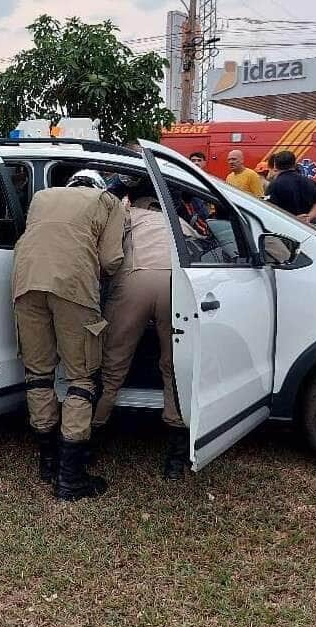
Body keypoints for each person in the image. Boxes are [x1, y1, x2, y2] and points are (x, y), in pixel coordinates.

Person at [12, 169, 126, 501]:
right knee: (81, 378)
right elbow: (113, 259)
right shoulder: (108, 200)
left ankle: (47, 461)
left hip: (25, 282)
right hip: (73, 288)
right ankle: (70, 478)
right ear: (98, 185)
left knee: (38, 374)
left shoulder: (41, 196)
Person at [93, 192, 190, 480]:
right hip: (175, 284)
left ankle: (91, 436)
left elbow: (106, 256)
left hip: (134, 280)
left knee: (113, 365)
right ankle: (175, 453)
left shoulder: (126, 215)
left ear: (134, 202)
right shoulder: (177, 220)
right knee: (173, 366)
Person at [266, 150, 316, 223]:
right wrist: (309, 217)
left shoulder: (274, 185)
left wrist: (293, 219)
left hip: (285, 228)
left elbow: (269, 209)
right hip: (309, 229)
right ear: (294, 164)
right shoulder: (310, 182)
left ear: (275, 166)